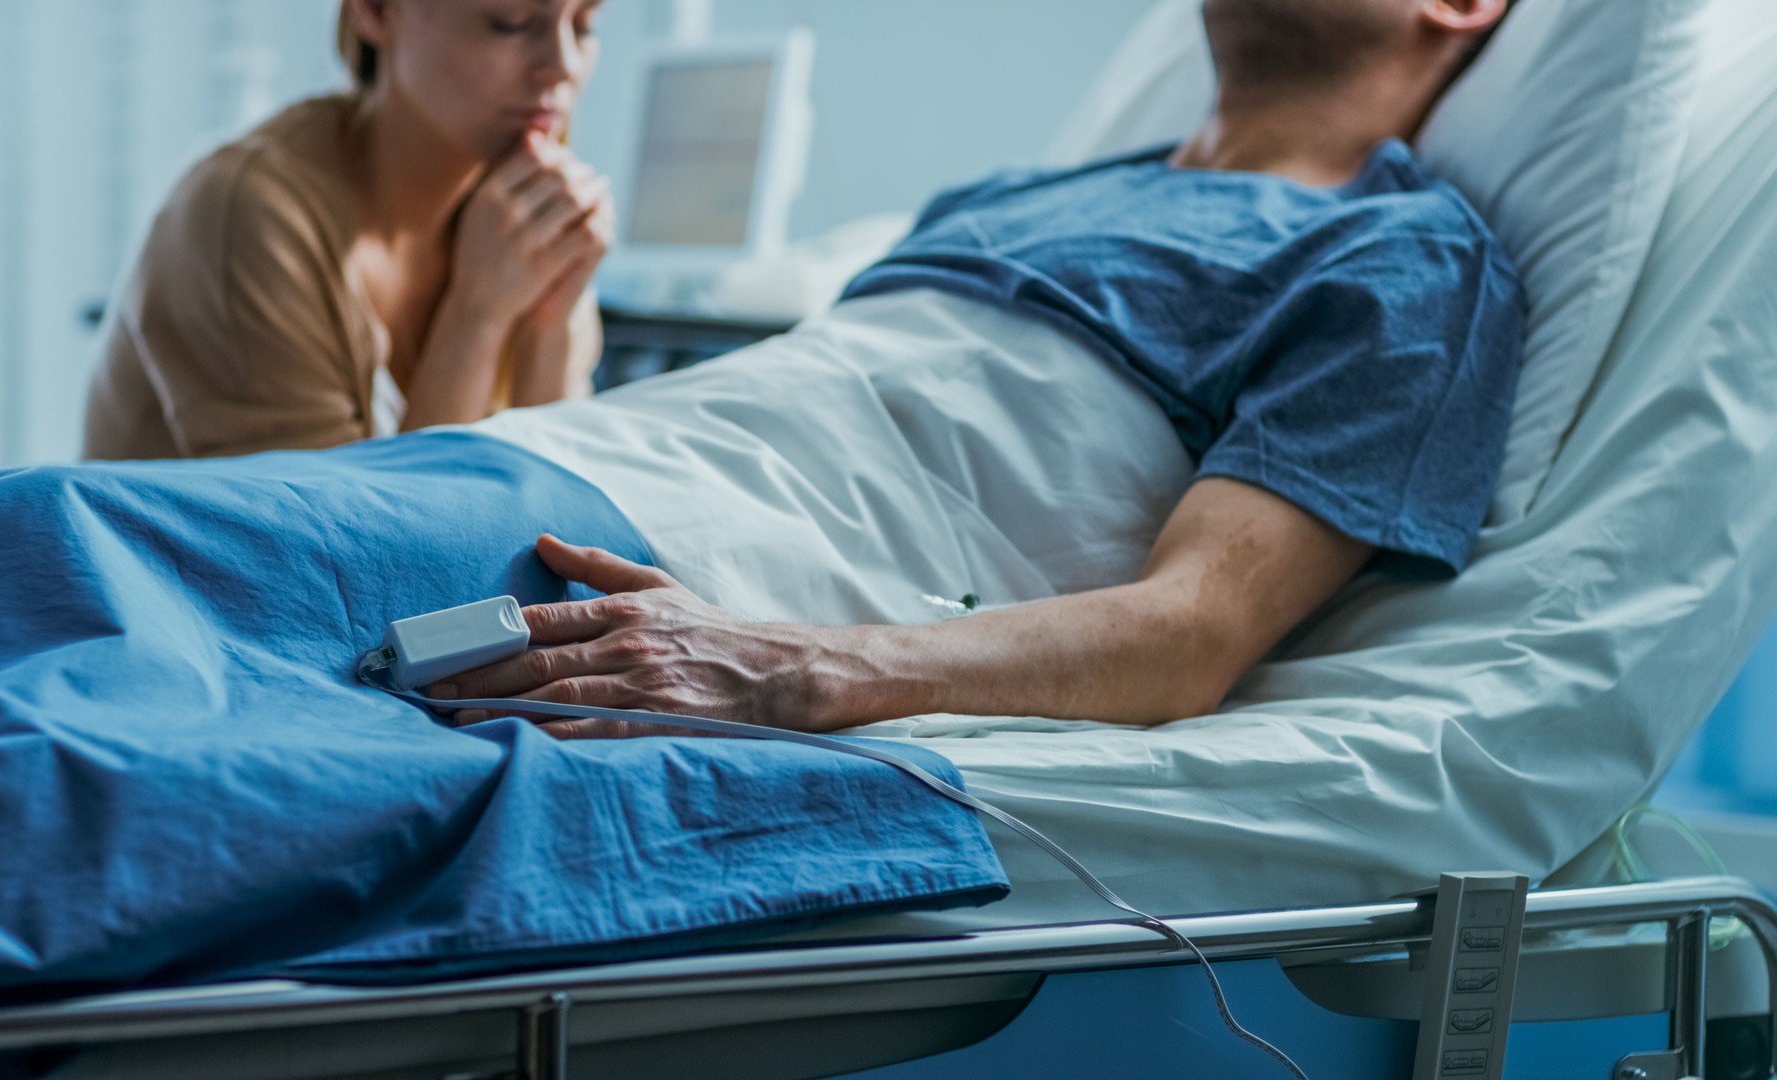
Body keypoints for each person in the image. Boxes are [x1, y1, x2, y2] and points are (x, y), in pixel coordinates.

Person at [437, 0, 1528, 735]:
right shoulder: (1009, 196)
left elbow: (1189, 635)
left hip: (639, 569)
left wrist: (788, 668)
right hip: (542, 476)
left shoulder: (1401, 260)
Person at [83, 0, 614, 460]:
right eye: (511, 23)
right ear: (377, 10)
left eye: (585, 25)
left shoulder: (522, 220)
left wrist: (551, 322)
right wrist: (475, 316)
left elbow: (553, 513)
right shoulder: (246, 215)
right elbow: (361, 558)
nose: (563, 66)